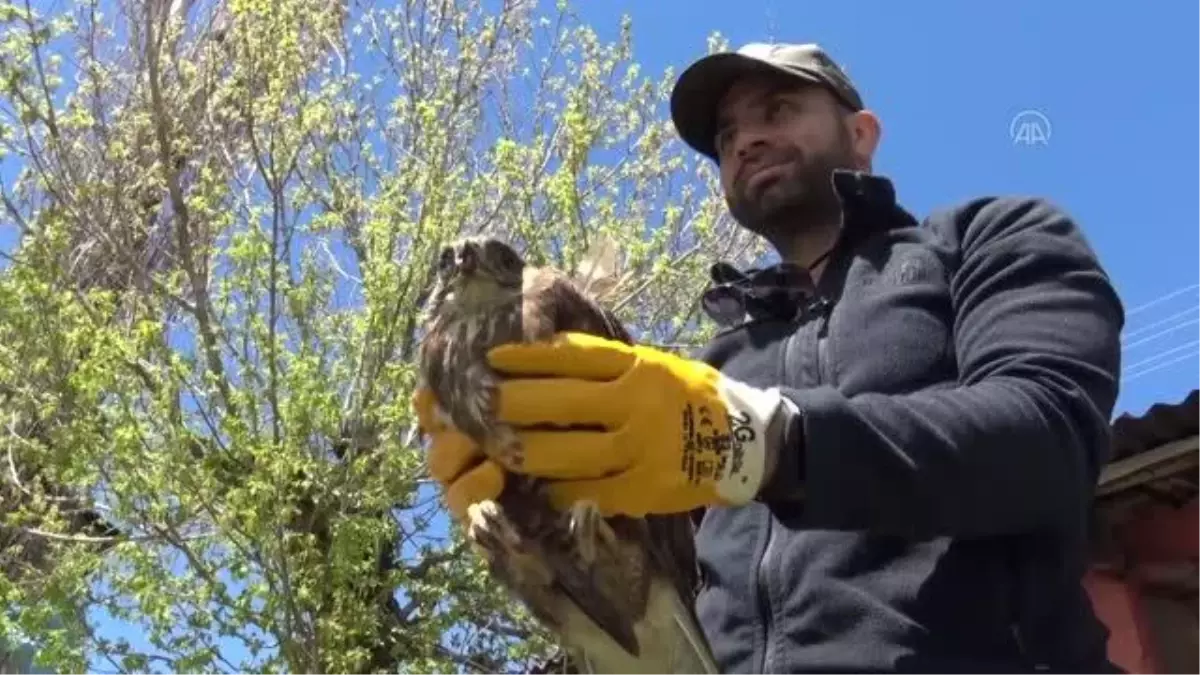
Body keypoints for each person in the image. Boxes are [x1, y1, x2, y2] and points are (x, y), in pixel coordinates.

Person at [415, 41, 1126, 674]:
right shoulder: (716, 359)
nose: (746, 141)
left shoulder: (985, 241)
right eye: (727, 136)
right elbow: (670, 577)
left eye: (778, 110)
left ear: (862, 132)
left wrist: (766, 442)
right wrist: (542, 516)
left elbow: (1048, 433)